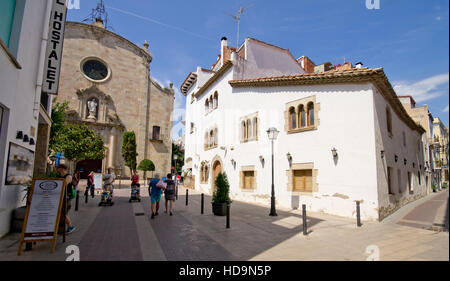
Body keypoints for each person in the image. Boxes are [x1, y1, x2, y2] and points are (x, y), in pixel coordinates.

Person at [56, 164, 76, 234]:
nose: (56, 169)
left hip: (67, 196)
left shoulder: (68, 176)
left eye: (57, 167)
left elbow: (64, 185)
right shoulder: (60, 176)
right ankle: (59, 227)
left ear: (62, 168)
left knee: (63, 213)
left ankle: (70, 226)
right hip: (60, 196)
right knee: (61, 212)